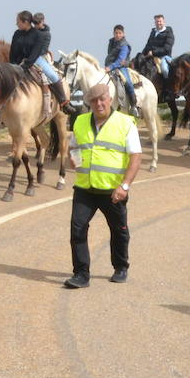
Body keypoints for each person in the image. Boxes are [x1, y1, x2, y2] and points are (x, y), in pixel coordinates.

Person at [63, 82, 141, 289]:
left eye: (102, 99)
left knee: (119, 230)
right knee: (77, 228)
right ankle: (81, 274)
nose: (99, 104)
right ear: (89, 103)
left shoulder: (125, 123)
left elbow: (135, 157)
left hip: (112, 190)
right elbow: (73, 148)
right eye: (94, 101)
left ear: (110, 99)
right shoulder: (79, 121)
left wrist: (124, 186)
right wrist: (75, 159)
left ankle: (121, 267)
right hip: (85, 189)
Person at [9, 10, 73, 114]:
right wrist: (13, 64)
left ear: (25, 22)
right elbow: (13, 50)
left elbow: (36, 52)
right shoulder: (16, 34)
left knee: (53, 76)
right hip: (18, 62)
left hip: (36, 60)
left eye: (18, 22)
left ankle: (64, 103)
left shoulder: (38, 35)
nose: (16, 24)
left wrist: (26, 65)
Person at [104, 24, 139, 116]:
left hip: (121, 67)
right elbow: (110, 55)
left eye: (120, 33)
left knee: (127, 82)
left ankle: (134, 105)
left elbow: (120, 60)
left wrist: (110, 67)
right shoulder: (111, 42)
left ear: (123, 34)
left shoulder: (124, 45)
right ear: (113, 34)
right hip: (110, 66)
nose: (118, 35)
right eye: (116, 33)